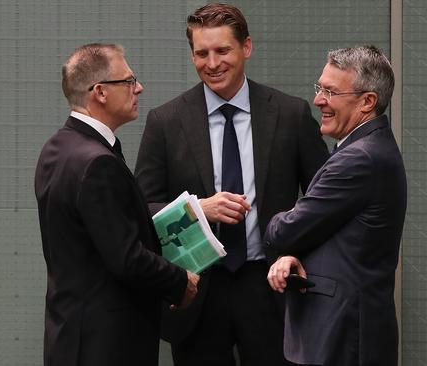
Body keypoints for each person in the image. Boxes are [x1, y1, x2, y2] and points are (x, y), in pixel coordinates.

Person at [135, 3, 329, 366]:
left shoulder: (290, 114)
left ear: (247, 47)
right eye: (201, 53)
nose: (212, 63)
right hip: (197, 290)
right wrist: (197, 210)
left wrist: (297, 254)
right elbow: (141, 209)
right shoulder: (165, 121)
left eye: (222, 50)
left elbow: (323, 202)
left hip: (270, 285)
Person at [34, 43, 199, 366]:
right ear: (100, 92)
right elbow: (126, 257)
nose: (139, 87)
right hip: (106, 344)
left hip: (70, 336)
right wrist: (180, 281)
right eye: (128, 80)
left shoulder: (56, 148)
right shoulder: (98, 163)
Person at [265, 45, 407, 366]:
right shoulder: (363, 150)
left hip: (342, 337)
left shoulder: (359, 159)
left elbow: (285, 230)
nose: (318, 100)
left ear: (367, 102)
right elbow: (332, 232)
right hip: (340, 333)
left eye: (330, 91)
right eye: (320, 88)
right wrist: (294, 254)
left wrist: (280, 228)